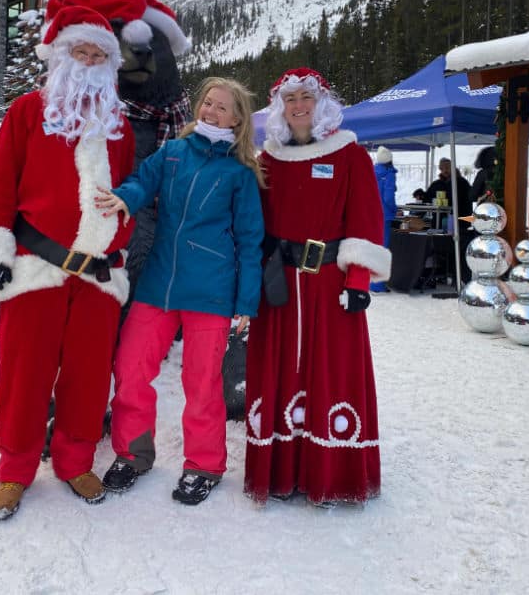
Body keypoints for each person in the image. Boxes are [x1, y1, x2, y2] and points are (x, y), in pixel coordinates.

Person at [0, 1, 135, 520]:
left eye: (97, 54)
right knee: (23, 375)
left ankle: (75, 461)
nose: (87, 61)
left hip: (98, 275)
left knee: (88, 375)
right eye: (78, 51)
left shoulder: (119, 127)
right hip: (34, 266)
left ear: (108, 64)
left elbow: (132, 190)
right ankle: (14, 471)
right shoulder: (25, 112)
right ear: (60, 57)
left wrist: (122, 241)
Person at [95, 77, 265, 506]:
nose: (211, 111)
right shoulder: (172, 153)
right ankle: (132, 453)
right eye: (208, 102)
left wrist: (246, 302)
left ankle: (204, 464)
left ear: (238, 119)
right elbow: (141, 181)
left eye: (222, 107)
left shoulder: (240, 173)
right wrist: (124, 199)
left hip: (211, 291)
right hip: (159, 285)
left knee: (202, 382)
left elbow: (250, 240)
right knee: (131, 367)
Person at [244, 68, 391, 508]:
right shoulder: (266, 159)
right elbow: (254, 224)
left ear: (321, 102)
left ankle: (331, 473)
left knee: (332, 372)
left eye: (306, 97)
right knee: (280, 371)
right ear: (280, 107)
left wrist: (359, 279)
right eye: (290, 99)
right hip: (279, 287)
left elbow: (366, 219)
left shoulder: (350, 156)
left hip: (330, 284)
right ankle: (283, 470)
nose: (298, 106)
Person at [370, 146, 398, 293]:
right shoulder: (389, 174)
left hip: (372, 214)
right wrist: (394, 210)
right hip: (384, 216)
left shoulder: (371, 171)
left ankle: (371, 283)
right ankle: (378, 285)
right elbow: (388, 197)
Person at [424, 157, 473, 222]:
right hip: (439, 221)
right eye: (442, 168)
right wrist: (422, 195)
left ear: (453, 168)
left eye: (447, 167)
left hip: (459, 222)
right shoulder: (436, 184)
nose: (445, 170)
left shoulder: (462, 182)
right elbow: (428, 197)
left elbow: (466, 201)